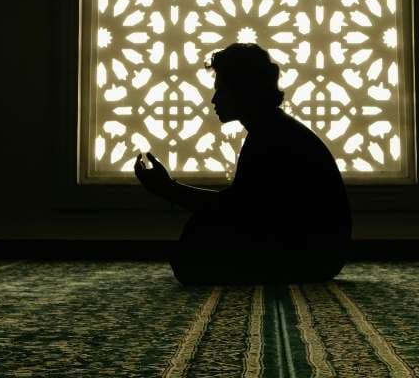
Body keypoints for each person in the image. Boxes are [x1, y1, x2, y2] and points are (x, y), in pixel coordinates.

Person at [134, 43, 352, 285]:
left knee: (197, 248)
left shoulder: (272, 136)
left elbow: (236, 208)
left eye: (221, 90)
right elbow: (242, 206)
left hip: (313, 257)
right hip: (320, 253)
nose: (214, 100)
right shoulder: (272, 129)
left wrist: (167, 188)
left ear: (243, 90)